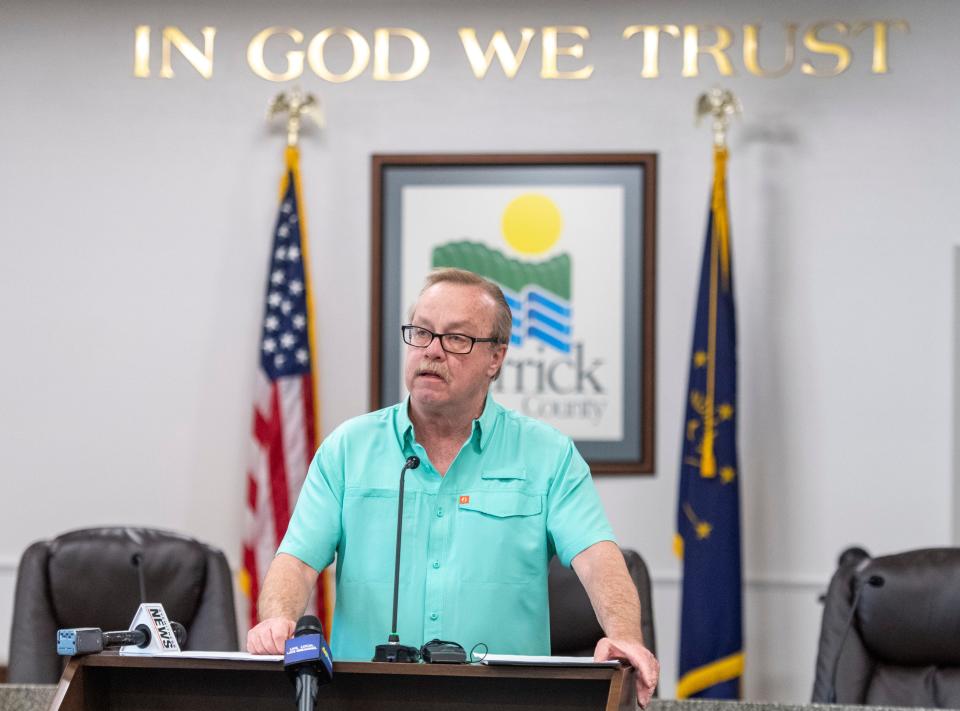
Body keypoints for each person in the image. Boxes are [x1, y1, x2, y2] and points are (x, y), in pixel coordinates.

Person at [247, 268, 659, 706]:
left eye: (456, 339)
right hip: (366, 699)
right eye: (421, 333)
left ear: (496, 358)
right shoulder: (348, 450)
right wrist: (277, 621)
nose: (432, 352)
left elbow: (600, 560)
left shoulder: (548, 455)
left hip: (504, 701)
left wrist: (625, 637)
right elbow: (295, 562)